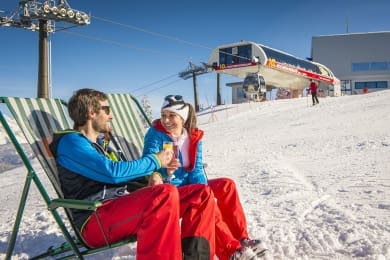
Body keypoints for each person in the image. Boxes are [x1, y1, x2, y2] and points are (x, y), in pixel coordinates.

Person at [49, 88, 216, 260]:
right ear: (91, 113)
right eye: (106, 110)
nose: (111, 115)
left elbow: (123, 173)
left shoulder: (100, 145)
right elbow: (113, 172)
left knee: (200, 193)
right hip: (94, 218)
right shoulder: (71, 142)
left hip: (119, 207)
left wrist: (157, 175)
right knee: (164, 194)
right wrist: (156, 160)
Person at [143, 94, 267, 260]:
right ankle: (231, 251)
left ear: (182, 117)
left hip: (191, 186)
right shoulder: (155, 134)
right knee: (204, 197)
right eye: (163, 115)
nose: (166, 120)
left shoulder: (193, 136)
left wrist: (204, 188)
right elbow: (149, 162)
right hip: (171, 190)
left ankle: (241, 239)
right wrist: (162, 173)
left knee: (226, 185)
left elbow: (197, 170)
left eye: (171, 115)